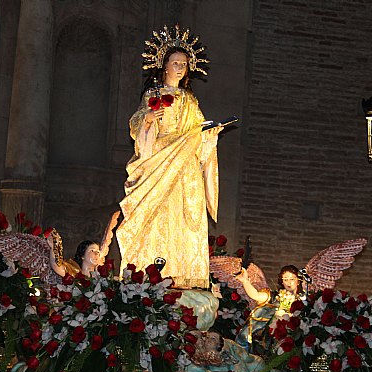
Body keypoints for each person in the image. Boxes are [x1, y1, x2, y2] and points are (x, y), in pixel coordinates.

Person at [116, 25, 223, 290]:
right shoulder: (152, 95)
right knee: (157, 215)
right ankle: (147, 272)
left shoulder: (189, 100)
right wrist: (148, 119)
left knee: (184, 218)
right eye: (175, 62)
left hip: (184, 168)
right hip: (158, 163)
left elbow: (197, 134)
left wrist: (210, 135)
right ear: (164, 66)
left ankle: (181, 272)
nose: (179, 67)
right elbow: (138, 126)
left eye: (184, 64)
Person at [235, 265, 305, 351]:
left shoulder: (303, 300)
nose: (288, 283)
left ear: (298, 280)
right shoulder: (275, 297)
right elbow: (256, 295)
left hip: (296, 339)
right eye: (285, 279)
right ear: (282, 282)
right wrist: (245, 281)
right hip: (274, 337)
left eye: (292, 279)